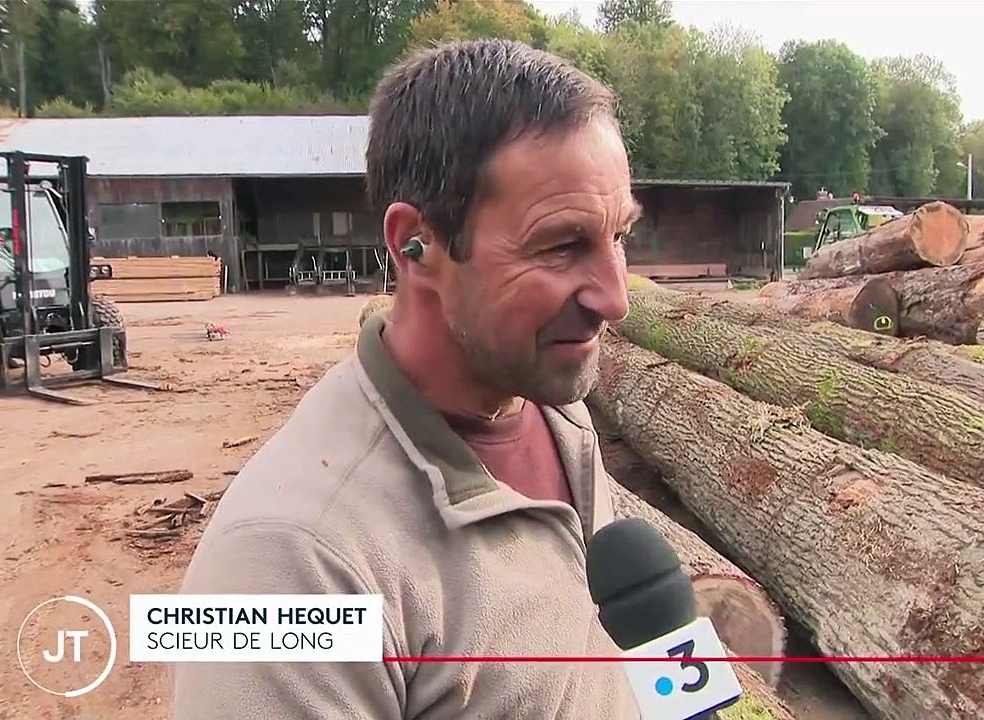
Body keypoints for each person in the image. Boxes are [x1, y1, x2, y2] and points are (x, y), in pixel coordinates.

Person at [173, 39, 641, 719]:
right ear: (414, 246)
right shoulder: (291, 568)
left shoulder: (552, 407)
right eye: (562, 245)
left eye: (620, 235)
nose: (615, 297)